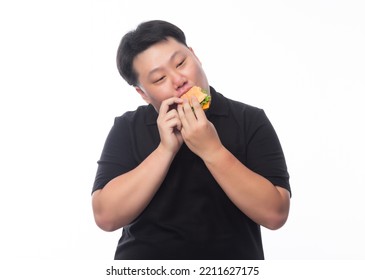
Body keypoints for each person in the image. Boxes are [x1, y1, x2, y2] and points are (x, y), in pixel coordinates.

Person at [91, 20, 291, 260]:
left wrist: (212, 150)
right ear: (143, 93)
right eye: (159, 79)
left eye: (181, 63)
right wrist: (165, 150)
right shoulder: (128, 127)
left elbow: (275, 214)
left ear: (195, 56)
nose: (178, 80)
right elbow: (106, 217)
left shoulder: (250, 119)